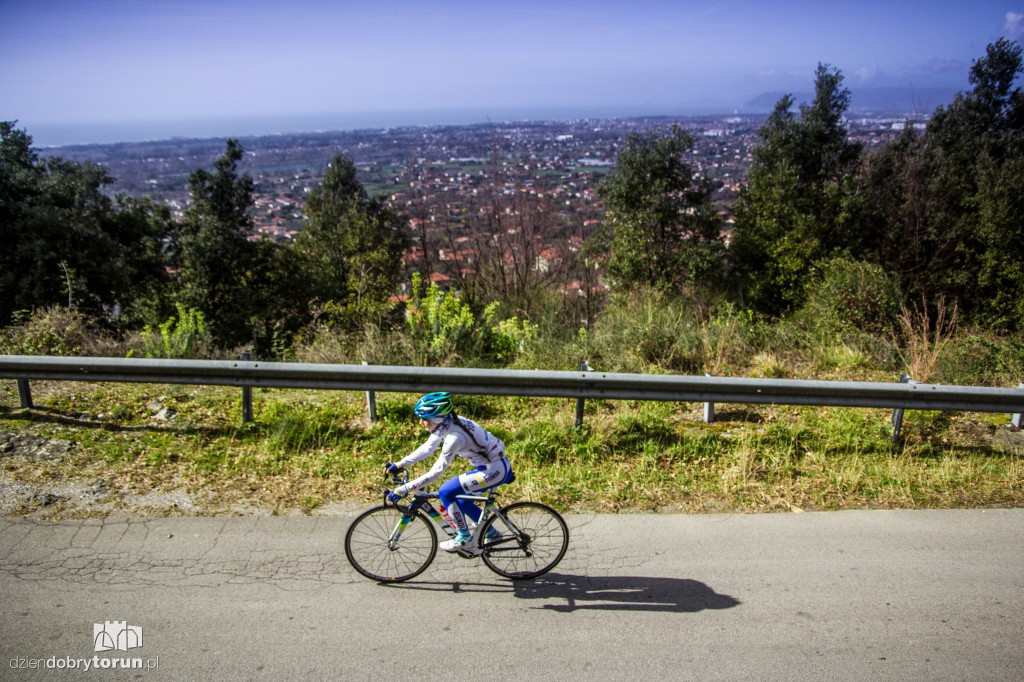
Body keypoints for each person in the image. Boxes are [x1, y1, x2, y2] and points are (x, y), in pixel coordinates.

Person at [384, 391, 514, 554]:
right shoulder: (448, 423)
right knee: (462, 501)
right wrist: (399, 464)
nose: (420, 422)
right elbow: (427, 448)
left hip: (494, 469)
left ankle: (464, 538)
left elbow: (436, 472)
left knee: (446, 491)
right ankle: (492, 534)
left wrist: (404, 489)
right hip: (492, 465)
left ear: (436, 418)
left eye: (424, 419)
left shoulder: (454, 436)